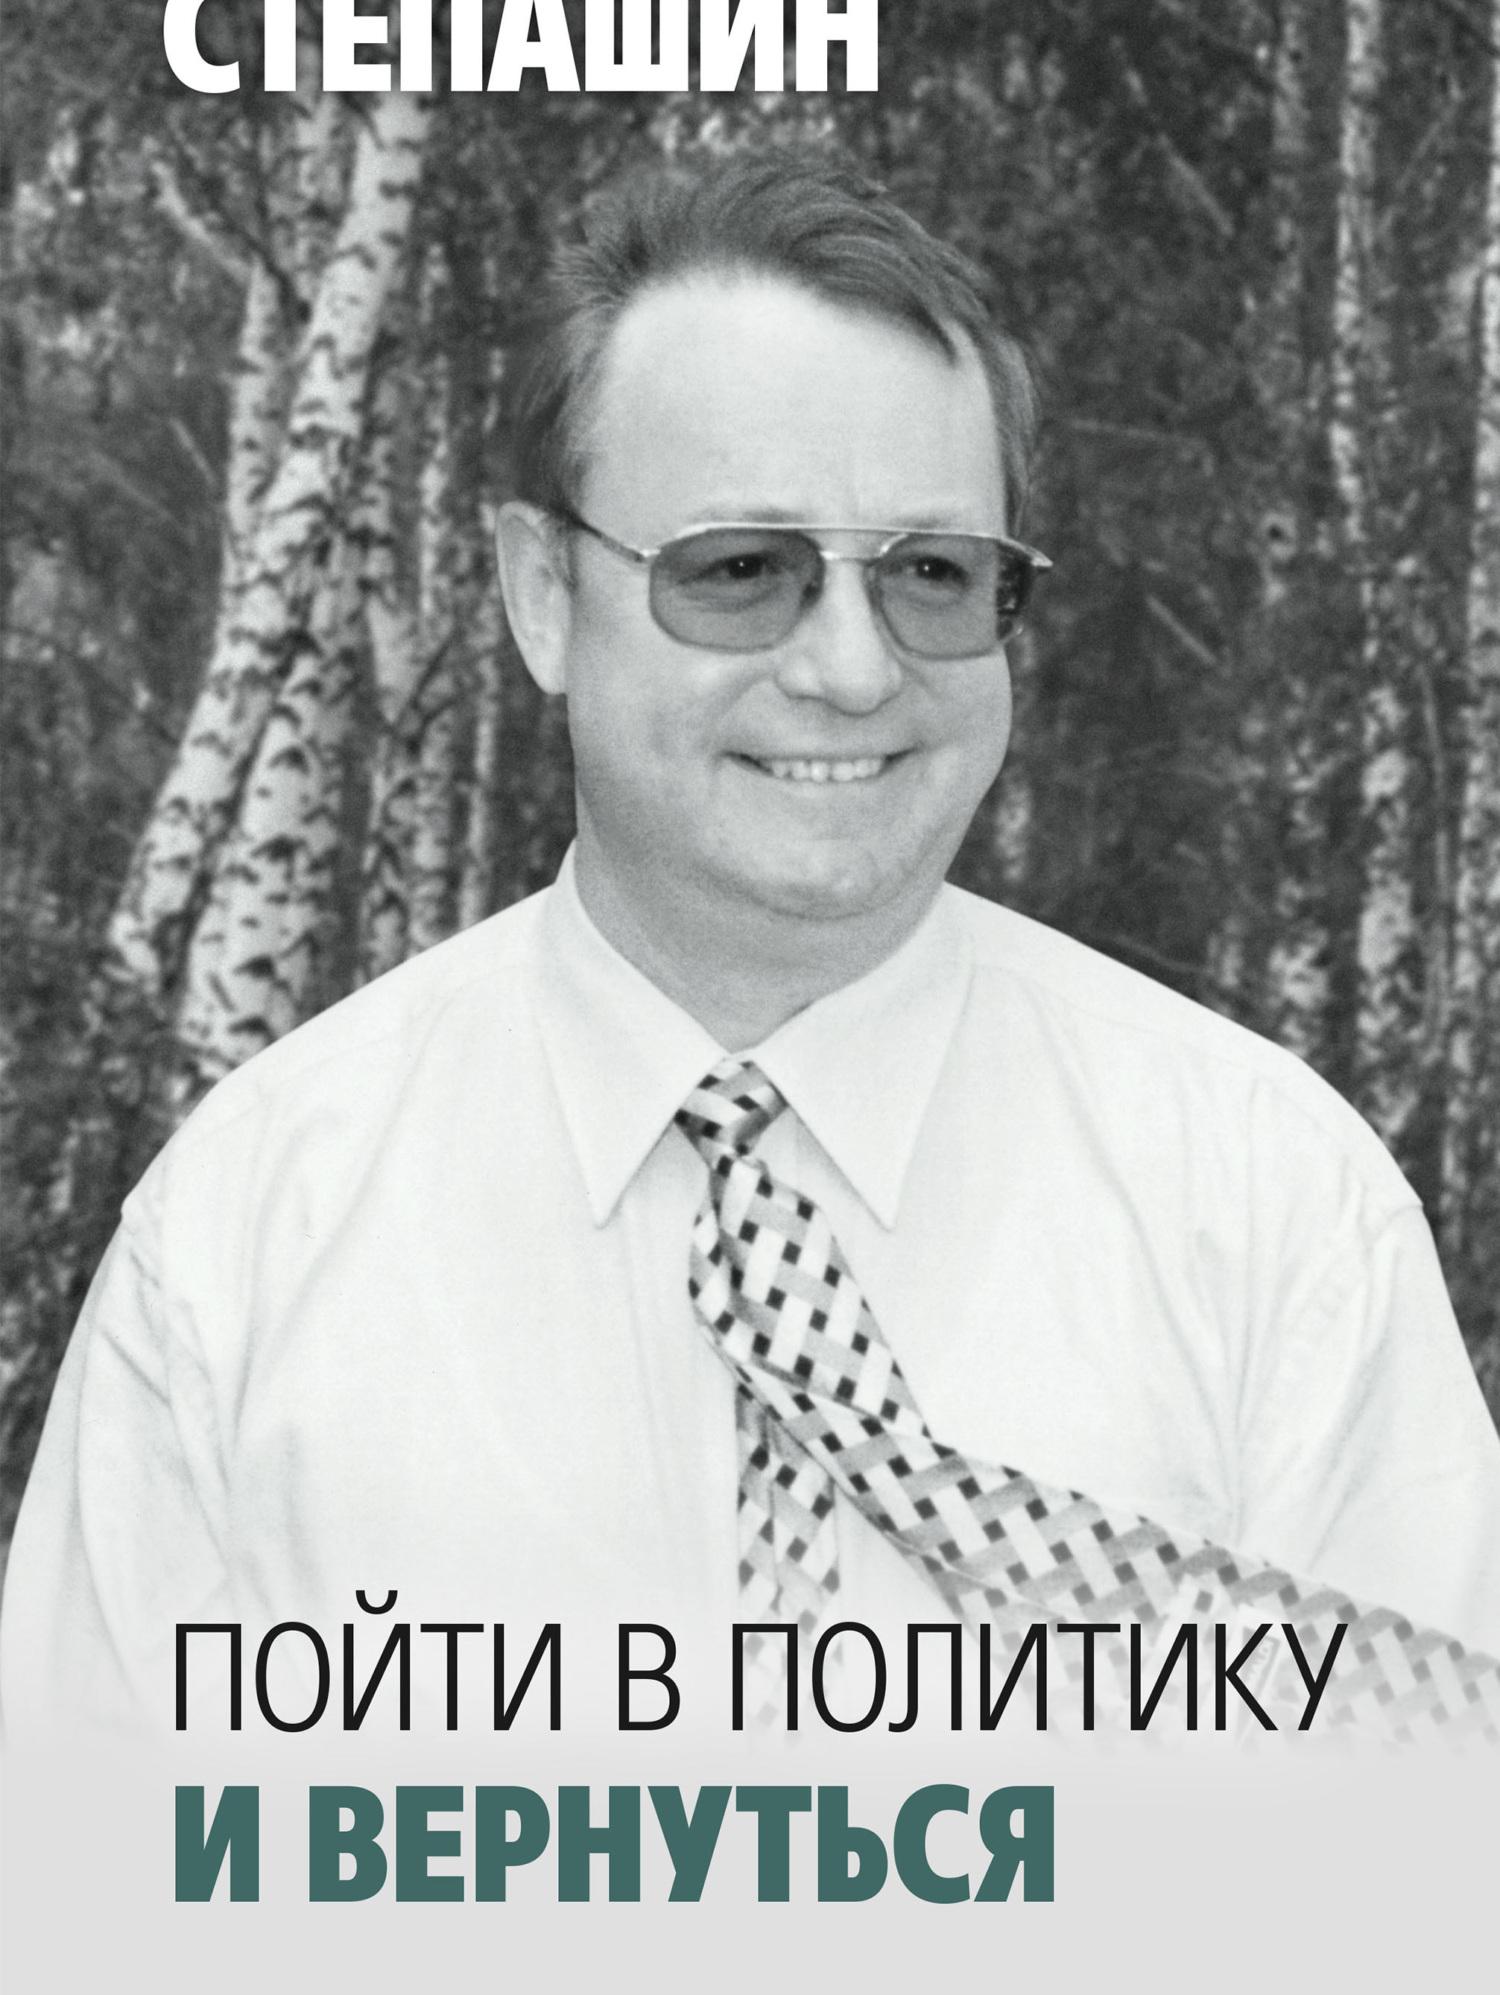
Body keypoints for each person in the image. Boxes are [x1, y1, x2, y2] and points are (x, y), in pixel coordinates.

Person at [4, 149, 1499, 1741]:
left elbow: (1422, 1858)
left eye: (933, 574)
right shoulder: (242, 1246)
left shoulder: (1278, 1220)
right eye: (741, 572)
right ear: (542, 594)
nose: (852, 670)